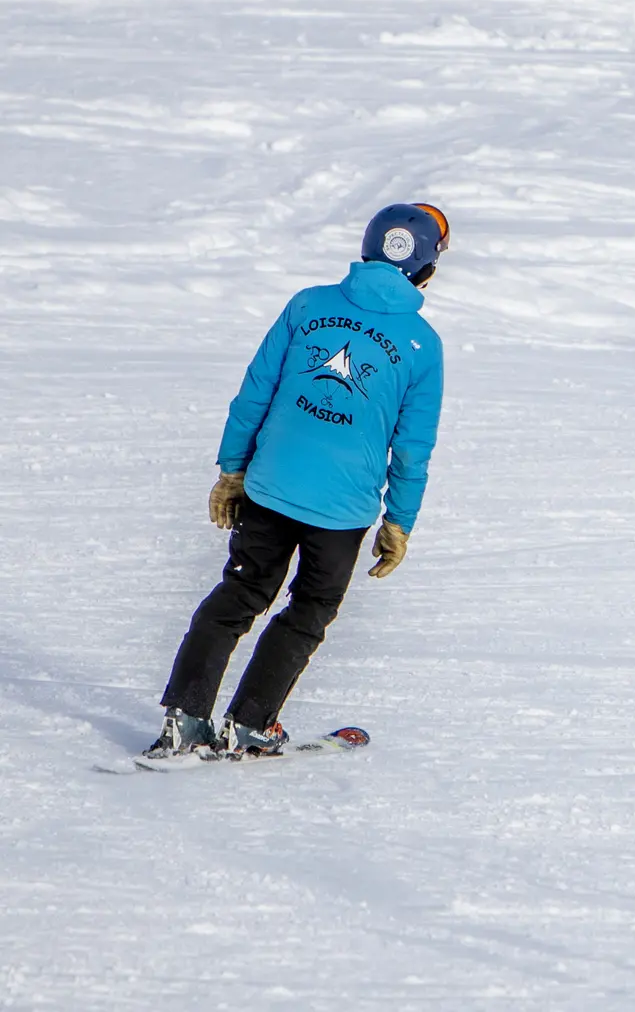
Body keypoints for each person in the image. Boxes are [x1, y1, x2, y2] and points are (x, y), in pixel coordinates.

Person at [145, 203, 450, 758]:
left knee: (241, 592)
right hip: (343, 511)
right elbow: (412, 449)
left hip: (269, 485)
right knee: (309, 609)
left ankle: (186, 720)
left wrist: (232, 470)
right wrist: (399, 522)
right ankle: (251, 724)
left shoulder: (308, 304)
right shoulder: (422, 345)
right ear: (428, 266)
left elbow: (254, 392)